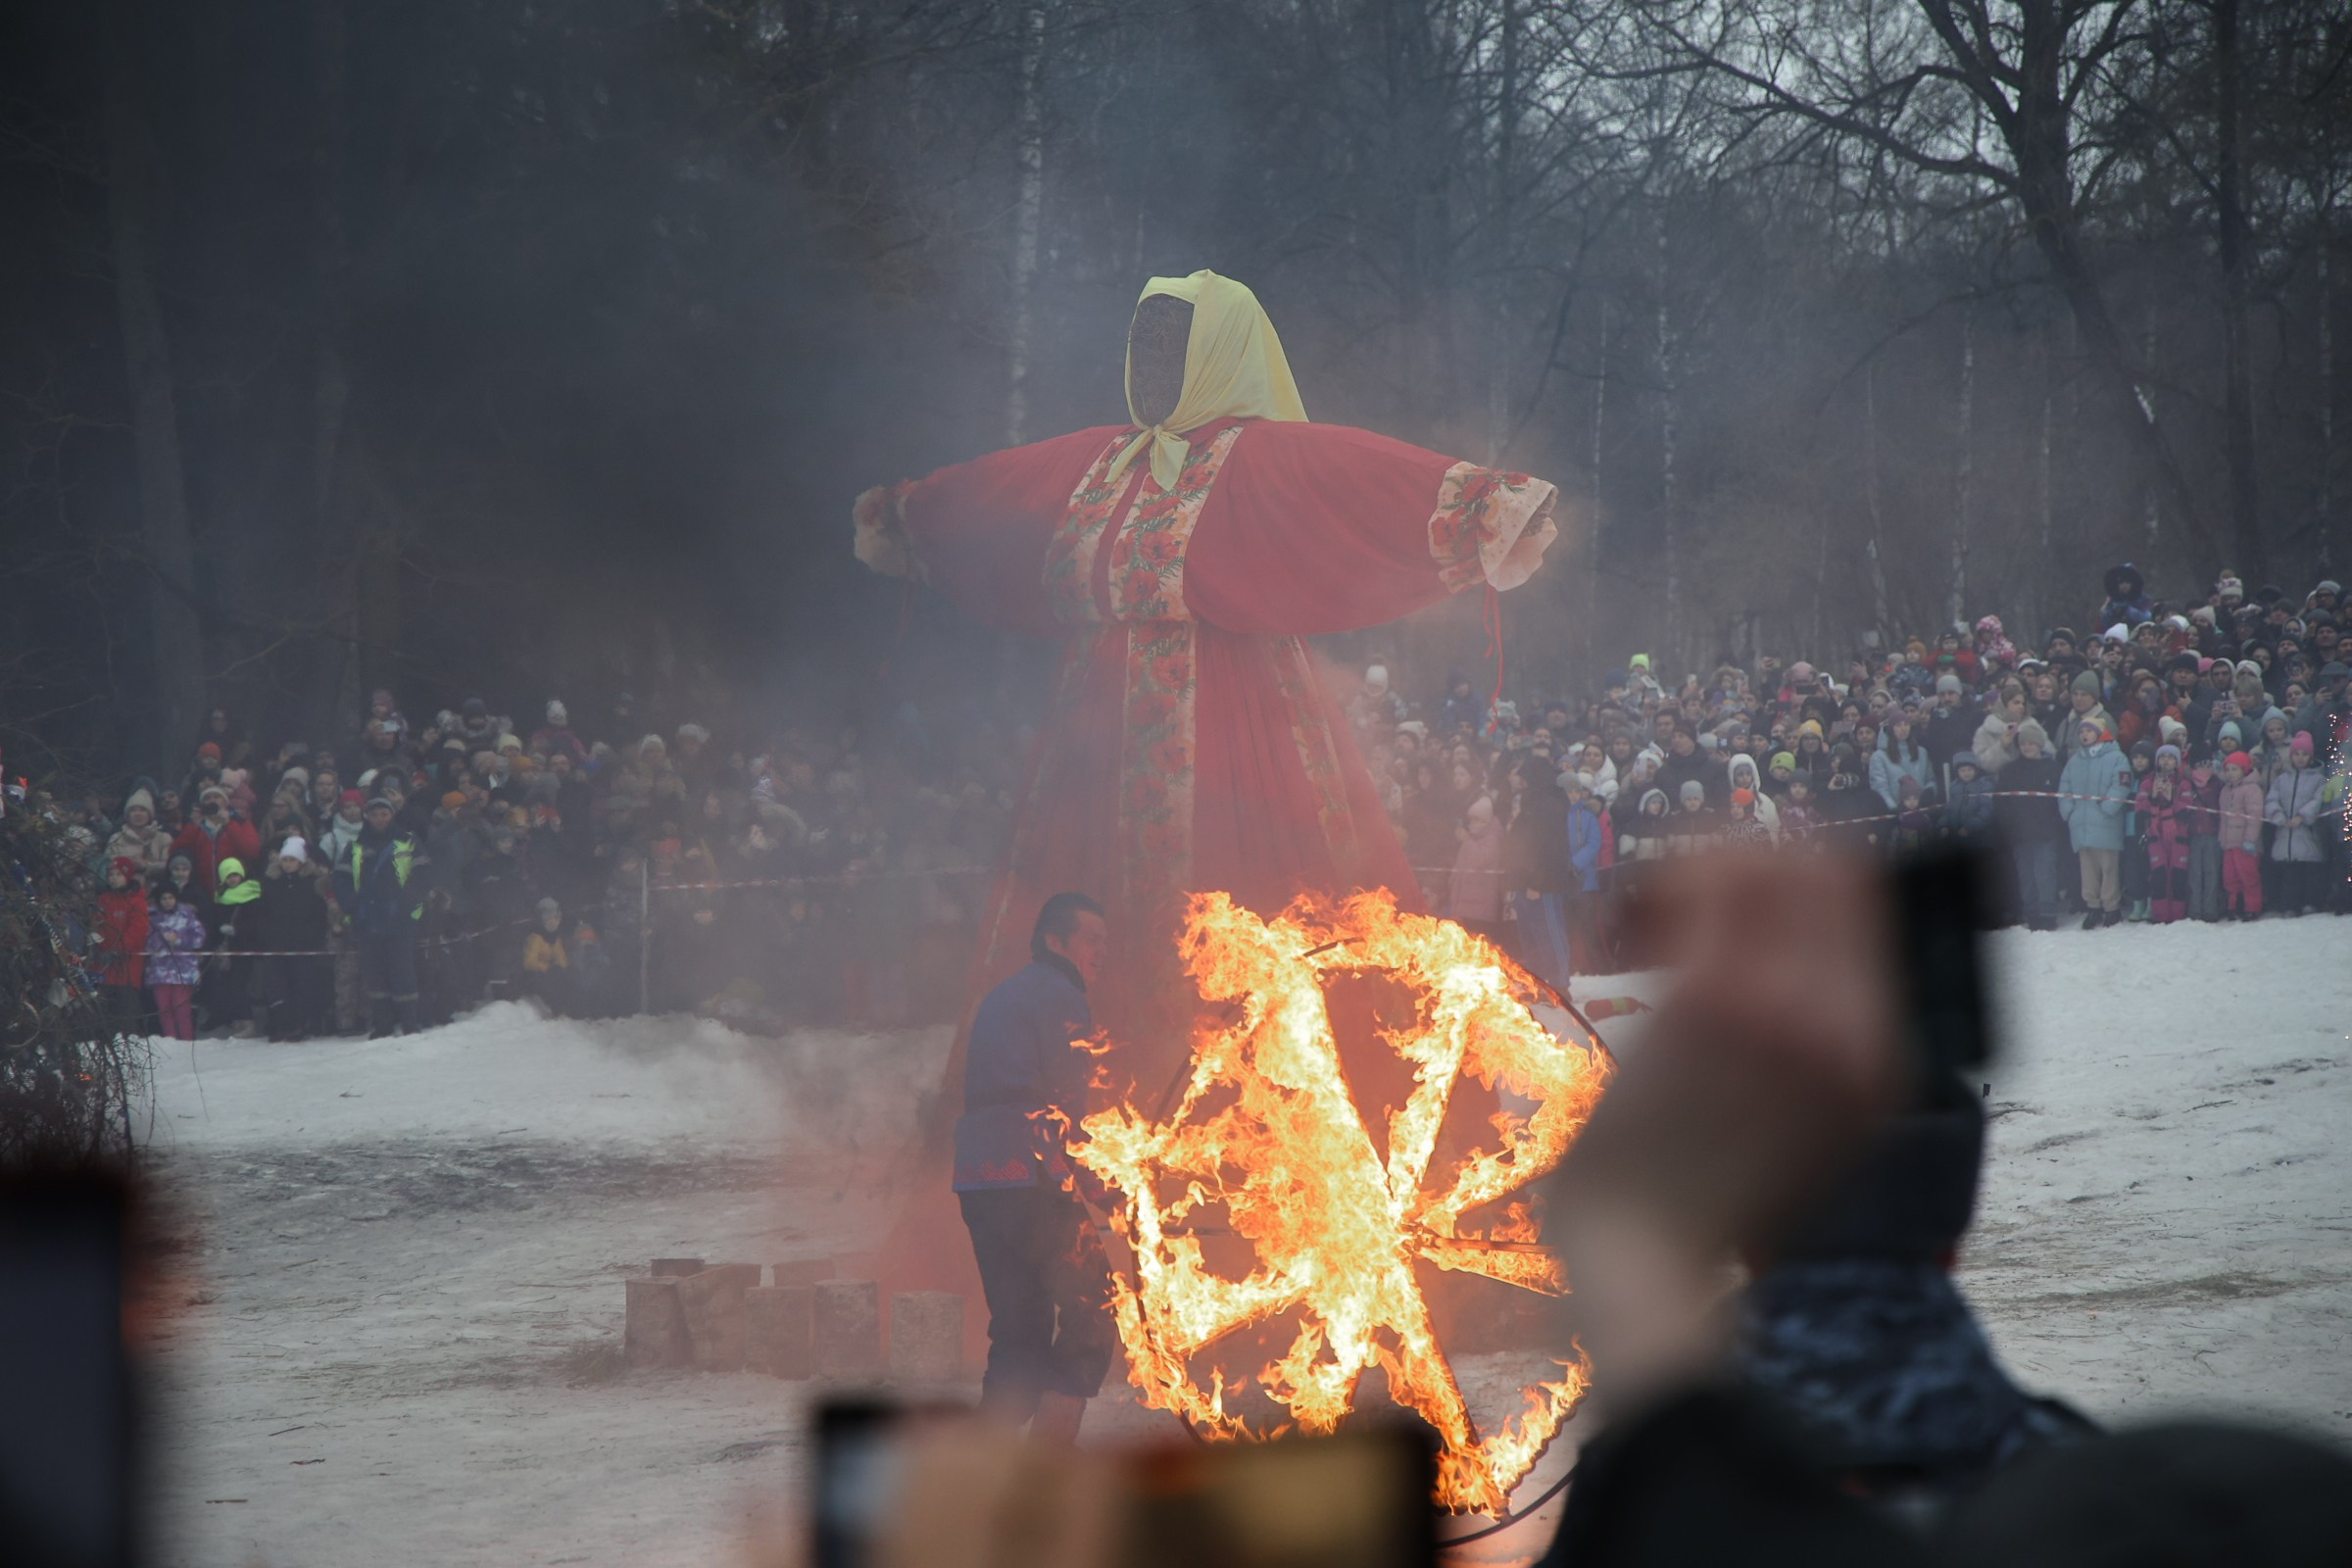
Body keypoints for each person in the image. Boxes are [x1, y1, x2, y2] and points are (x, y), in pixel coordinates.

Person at [852, 270, 1561, 1081]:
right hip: (1094, 751)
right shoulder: (1103, 462)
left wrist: (1490, 509)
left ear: (1216, 355)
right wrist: (909, 510)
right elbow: (1000, 489)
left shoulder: (1258, 459)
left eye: (1171, 344)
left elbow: (1362, 480)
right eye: (1141, 344)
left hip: (1241, 731)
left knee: (1253, 919)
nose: (1150, 362)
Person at [953, 893, 1118, 1444]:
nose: (1101, 950)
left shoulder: (1004, 996)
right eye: (1092, 938)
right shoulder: (1061, 995)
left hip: (981, 1177)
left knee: (1019, 1337)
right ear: (1056, 940)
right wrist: (1104, 1188)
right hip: (1031, 1173)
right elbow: (1066, 1103)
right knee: (1093, 1309)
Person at [337, 796, 425, 1037]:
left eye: (384, 814)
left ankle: (409, 1024)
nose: (380, 818)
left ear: (392, 814)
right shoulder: (355, 844)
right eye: (375, 814)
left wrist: (409, 900)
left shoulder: (408, 841)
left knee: (404, 974)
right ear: (367, 816)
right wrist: (353, 906)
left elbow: (423, 875)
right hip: (368, 921)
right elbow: (342, 879)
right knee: (375, 977)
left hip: (401, 920)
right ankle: (382, 1025)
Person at [2058, 719, 2132, 928]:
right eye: (2081, 731)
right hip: (2081, 826)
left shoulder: (2117, 758)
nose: (2084, 734)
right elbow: (2064, 787)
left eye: (2089, 730)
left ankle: (2111, 907)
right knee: (2087, 869)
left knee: (2109, 868)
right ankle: (2093, 906)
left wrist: (2107, 808)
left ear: (2100, 733)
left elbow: (2122, 784)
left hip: (2106, 823)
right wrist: (2069, 811)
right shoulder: (2074, 761)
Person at [1997, 722, 2064, 930]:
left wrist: (2056, 823)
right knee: (2025, 874)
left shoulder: (2053, 768)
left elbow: (2060, 800)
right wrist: (2009, 826)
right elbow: (2001, 802)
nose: (2027, 747)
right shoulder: (2010, 770)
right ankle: (2032, 912)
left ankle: (2048, 913)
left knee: (2045, 872)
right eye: (2023, 743)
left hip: (2046, 832)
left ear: (2039, 744)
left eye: (2031, 743)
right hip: (2020, 833)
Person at [2264, 733, 2328, 915]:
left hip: (2307, 834)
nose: (2300, 758)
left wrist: (2302, 816)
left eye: (2304, 754)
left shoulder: (2318, 779)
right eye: (2296, 753)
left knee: (2309, 873)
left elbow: (2318, 800)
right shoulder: (2282, 779)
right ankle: (2290, 905)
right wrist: (2278, 815)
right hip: (2286, 836)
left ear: (2311, 756)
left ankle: (2311, 902)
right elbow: (2271, 800)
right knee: (2290, 875)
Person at [94, 858, 151, 1035]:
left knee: (126, 1008)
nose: (113, 878)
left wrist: (118, 949)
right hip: (104, 965)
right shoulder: (104, 899)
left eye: (118, 874)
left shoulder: (137, 901)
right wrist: (98, 943)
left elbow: (138, 930)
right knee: (104, 1008)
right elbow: (97, 924)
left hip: (127, 964)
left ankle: (129, 1040)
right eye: (110, 874)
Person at [145, 883, 207, 1041]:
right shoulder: (151, 916)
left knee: (181, 1007)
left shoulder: (187, 915)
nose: (167, 901)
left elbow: (199, 938)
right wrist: (161, 940)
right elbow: (145, 940)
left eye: (170, 897)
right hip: (160, 971)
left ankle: (187, 1040)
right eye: (163, 898)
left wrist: (179, 939)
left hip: (183, 970)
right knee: (164, 1008)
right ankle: (170, 1040)